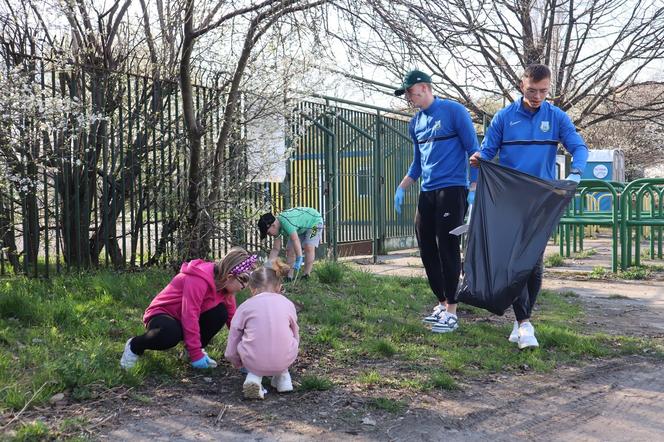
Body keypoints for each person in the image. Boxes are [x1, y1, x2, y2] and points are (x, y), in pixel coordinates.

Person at [470, 63, 588, 349]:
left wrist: (576, 172)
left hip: (542, 198)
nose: (537, 96)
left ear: (549, 89)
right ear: (522, 85)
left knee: (533, 261)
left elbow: (579, 147)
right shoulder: (504, 117)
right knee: (514, 260)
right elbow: (487, 151)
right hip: (509, 198)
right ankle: (524, 324)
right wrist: (478, 158)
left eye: (544, 91)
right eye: (533, 90)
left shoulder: (556, 117)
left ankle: (522, 321)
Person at [393, 69, 479, 333]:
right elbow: (418, 163)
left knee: (448, 247)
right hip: (427, 192)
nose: (408, 98)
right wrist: (402, 186)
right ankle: (442, 302)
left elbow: (473, 150)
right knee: (427, 246)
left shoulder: (454, 112)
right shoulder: (415, 122)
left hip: (452, 190)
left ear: (423, 87)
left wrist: (473, 187)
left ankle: (452, 310)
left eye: (409, 92)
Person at [119, 247, 257, 369]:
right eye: (242, 285)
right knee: (171, 334)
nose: (242, 289)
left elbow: (233, 321)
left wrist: (248, 349)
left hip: (186, 317)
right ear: (229, 276)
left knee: (221, 313)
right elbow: (189, 315)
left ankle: (189, 353)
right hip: (163, 314)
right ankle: (134, 346)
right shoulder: (199, 280)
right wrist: (196, 354)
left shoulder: (225, 289)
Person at [224, 258, 299, 400]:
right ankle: (284, 380)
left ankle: (253, 378)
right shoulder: (287, 304)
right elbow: (295, 332)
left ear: (252, 289)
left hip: (253, 361)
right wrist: (291, 352)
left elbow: (234, 335)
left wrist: (235, 360)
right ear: (278, 287)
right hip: (284, 359)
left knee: (246, 344)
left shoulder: (246, 306)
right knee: (285, 339)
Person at [258, 207, 324, 280]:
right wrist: (269, 265)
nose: (269, 235)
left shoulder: (286, 222)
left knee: (308, 246)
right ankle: (289, 276)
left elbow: (295, 240)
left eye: (268, 233)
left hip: (314, 223)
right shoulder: (277, 228)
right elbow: (276, 249)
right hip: (300, 228)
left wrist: (299, 257)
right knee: (290, 250)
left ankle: (306, 275)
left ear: (273, 225)